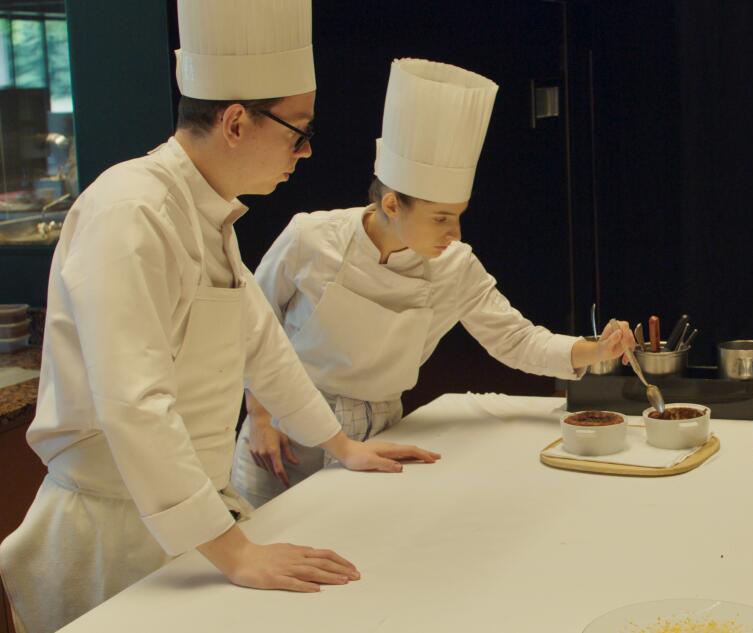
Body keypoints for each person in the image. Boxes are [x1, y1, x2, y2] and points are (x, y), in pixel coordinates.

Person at [0, 3, 439, 631]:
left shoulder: (209, 214)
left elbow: (264, 349)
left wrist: (341, 446)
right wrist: (234, 552)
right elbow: (133, 404)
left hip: (192, 525)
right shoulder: (131, 211)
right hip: (115, 534)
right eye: (298, 131)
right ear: (236, 122)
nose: (306, 152)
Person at [230, 58, 632, 507]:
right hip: (287, 429)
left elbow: (515, 339)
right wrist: (260, 415)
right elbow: (251, 322)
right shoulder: (310, 237)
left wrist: (596, 350)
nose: (454, 234)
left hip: (382, 428)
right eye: (441, 218)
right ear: (393, 204)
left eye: (458, 217)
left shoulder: (455, 266)